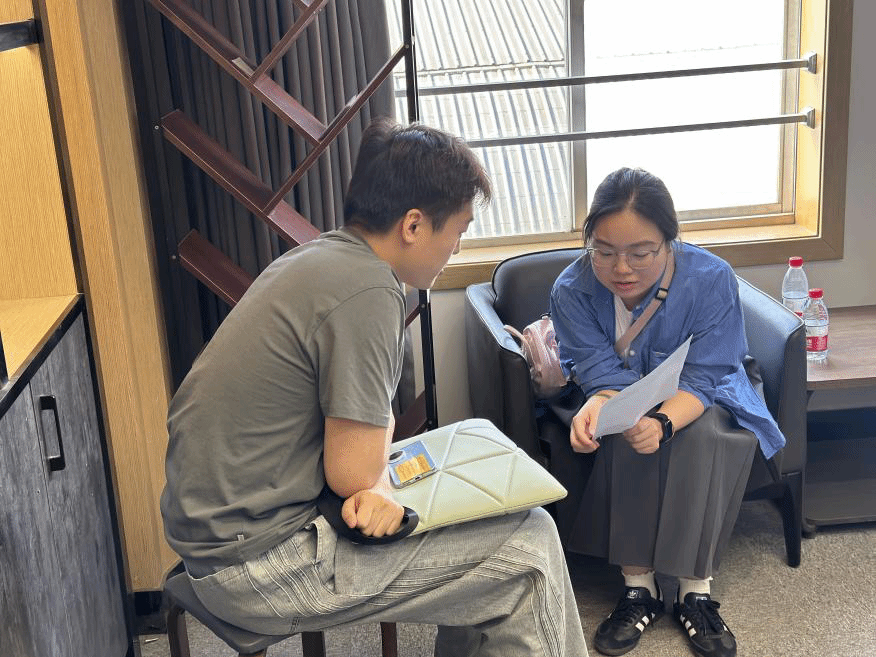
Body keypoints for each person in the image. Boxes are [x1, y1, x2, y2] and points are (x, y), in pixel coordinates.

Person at [160, 117, 589, 657]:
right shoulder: (369, 292)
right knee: (529, 548)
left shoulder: (324, 258)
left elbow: (367, 433)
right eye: (457, 230)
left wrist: (373, 476)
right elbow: (353, 473)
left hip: (221, 537)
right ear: (413, 225)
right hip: (259, 564)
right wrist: (374, 482)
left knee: (495, 534)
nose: (457, 248)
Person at [549, 167, 786, 657]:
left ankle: (696, 591)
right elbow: (599, 373)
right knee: (624, 429)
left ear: (669, 242)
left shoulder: (710, 278)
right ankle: (639, 587)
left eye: (640, 253)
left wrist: (662, 421)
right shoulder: (571, 289)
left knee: (701, 434)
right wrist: (602, 407)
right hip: (620, 388)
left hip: (708, 386)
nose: (621, 268)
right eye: (604, 251)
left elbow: (706, 375)